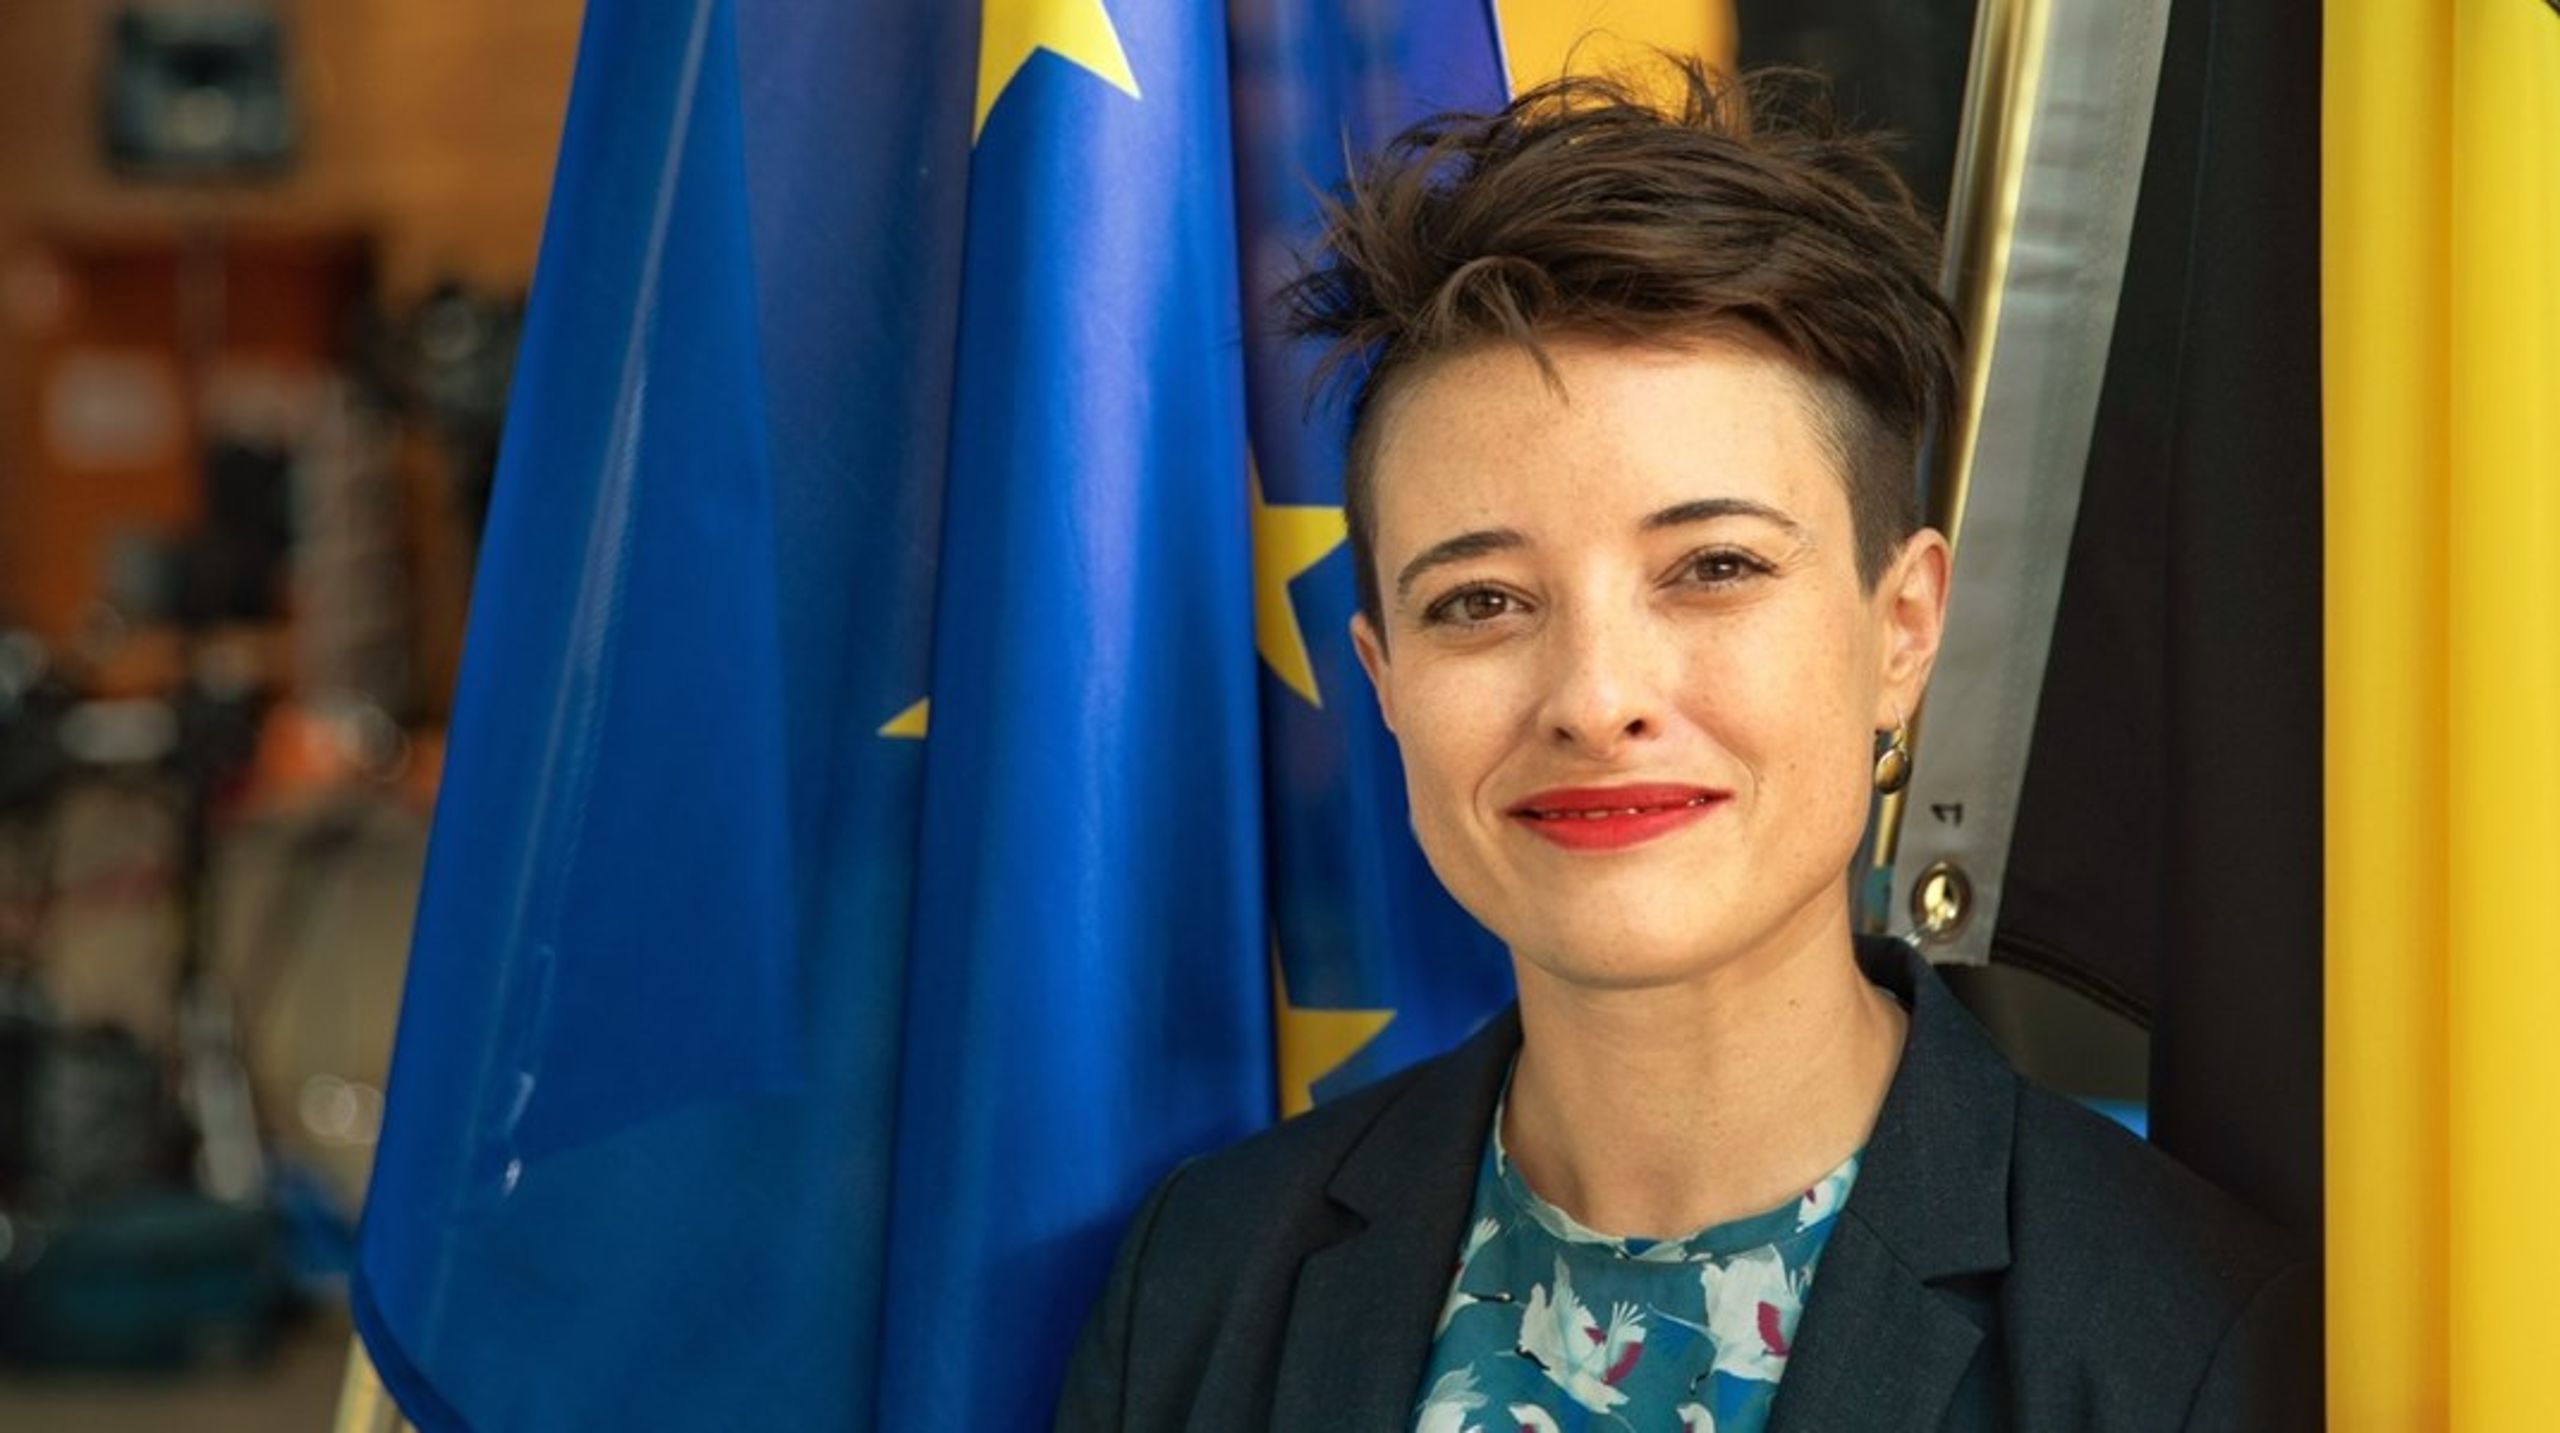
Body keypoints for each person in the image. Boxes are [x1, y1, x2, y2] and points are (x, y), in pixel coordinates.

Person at [1056, 63, 2318, 1432]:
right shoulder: (1200, 1282)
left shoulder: (2196, 1350)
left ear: (1902, 629)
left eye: (1713, 566)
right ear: (1386, 679)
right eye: (1480, 602)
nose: (1596, 699)